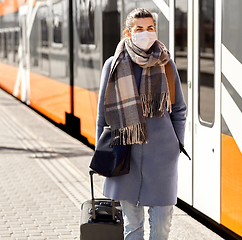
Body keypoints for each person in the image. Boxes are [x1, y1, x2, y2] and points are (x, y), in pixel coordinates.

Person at [95, 8, 187, 240]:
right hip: (126, 158)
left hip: (162, 159)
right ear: (128, 33)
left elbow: (179, 110)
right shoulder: (113, 65)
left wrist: (176, 145)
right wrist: (102, 155)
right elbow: (103, 116)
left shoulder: (166, 64)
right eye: (139, 29)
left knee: (161, 230)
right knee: (132, 229)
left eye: (150, 28)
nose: (146, 33)